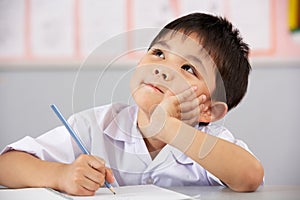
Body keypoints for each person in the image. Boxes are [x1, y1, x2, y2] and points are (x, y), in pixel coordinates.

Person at [0, 13, 264, 196]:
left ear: (209, 110)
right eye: (159, 53)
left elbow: (250, 177)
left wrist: (168, 127)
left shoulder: (210, 141)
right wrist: (61, 175)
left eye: (188, 68)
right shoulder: (96, 125)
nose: (162, 69)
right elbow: (7, 166)